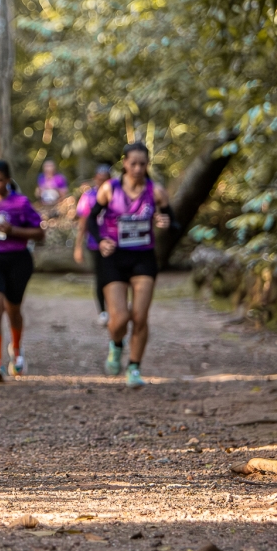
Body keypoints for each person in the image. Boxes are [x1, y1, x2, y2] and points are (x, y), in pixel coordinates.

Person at [86, 143, 176, 388]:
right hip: (114, 257)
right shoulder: (110, 188)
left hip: (143, 258)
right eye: (133, 163)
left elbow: (173, 222)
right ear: (124, 163)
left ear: (147, 165)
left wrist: (165, 222)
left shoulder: (156, 191)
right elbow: (92, 219)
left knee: (139, 317)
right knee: (119, 319)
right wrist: (100, 240)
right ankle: (116, 345)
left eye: (142, 164)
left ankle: (134, 368)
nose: (137, 168)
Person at [0, 160, 45, 382]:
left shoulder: (20, 203)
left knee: (13, 310)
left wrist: (13, 230)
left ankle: (16, 349)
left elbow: (39, 233)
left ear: (7, 180)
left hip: (18, 260)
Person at [74, 163, 113, 326]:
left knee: (115, 276)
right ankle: (103, 311)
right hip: (95, 243)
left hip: (115, 243)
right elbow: (83, 222)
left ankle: (116, 309)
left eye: (106, 179)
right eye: (100, 178)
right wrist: (78, 246)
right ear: (95, 178)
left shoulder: (116, 193)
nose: (102, 182)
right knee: (101, 277)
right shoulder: (89, 196)